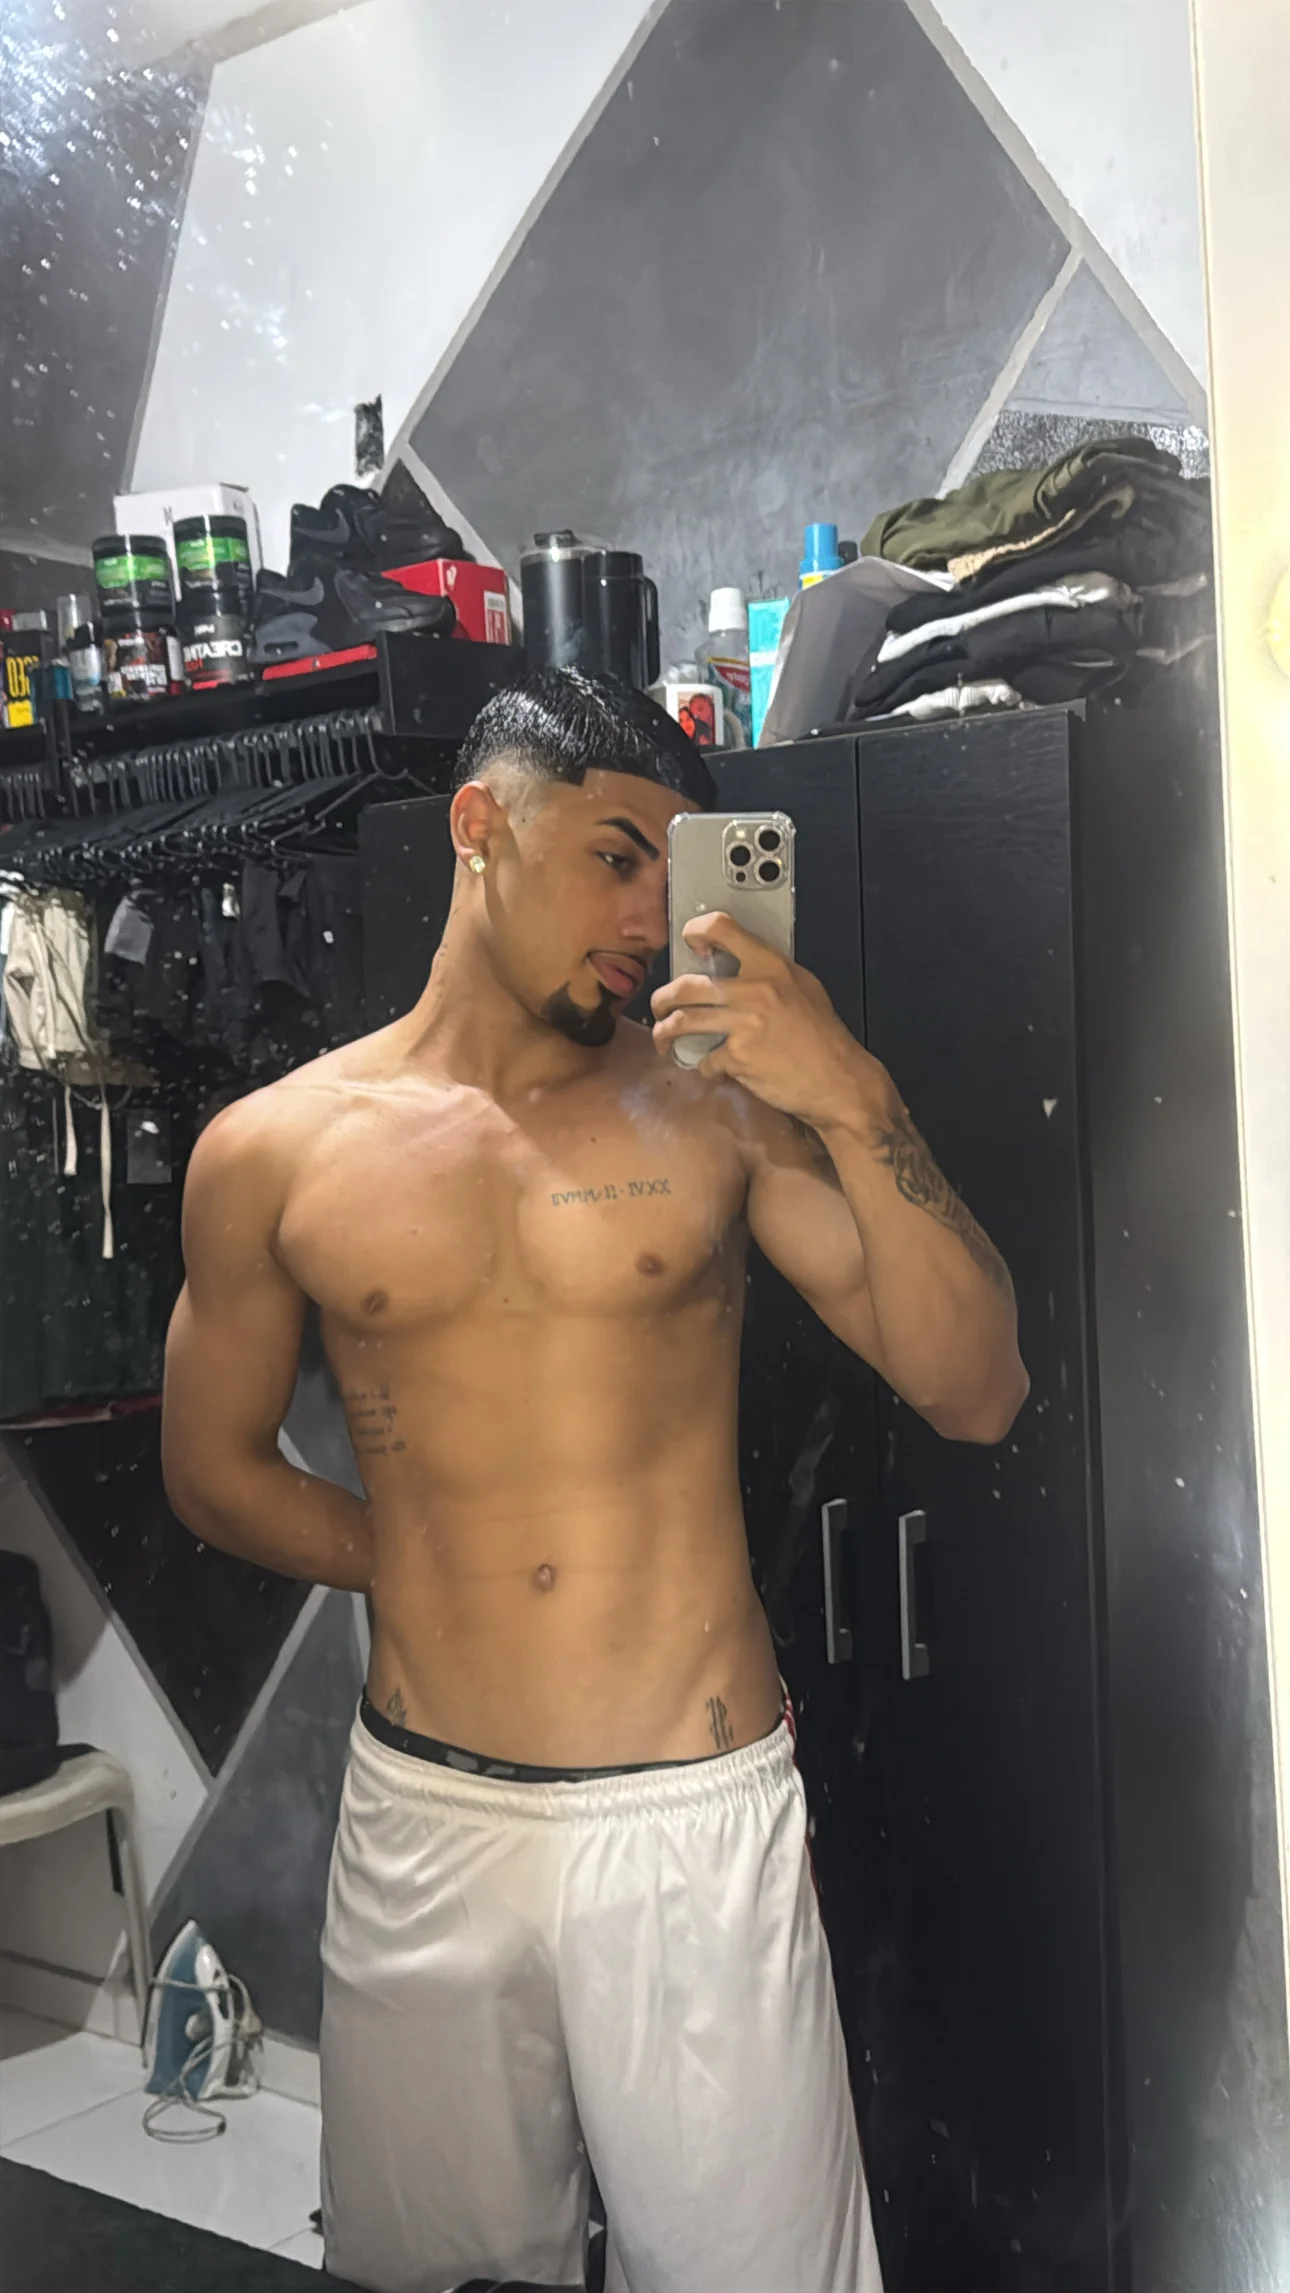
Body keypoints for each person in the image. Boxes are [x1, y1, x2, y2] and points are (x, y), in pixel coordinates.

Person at [162, 668, 1027, 2293]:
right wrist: (408, 1556)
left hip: (689, 1818)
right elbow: (211, 1472)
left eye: (670, 870)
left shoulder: (718, 1112)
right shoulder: (275, 1150)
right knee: (430, 2275)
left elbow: (974, 1390)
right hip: (429, 1818)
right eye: (614, 856)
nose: (647, 918)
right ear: (479, 827)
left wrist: (850, 1093)